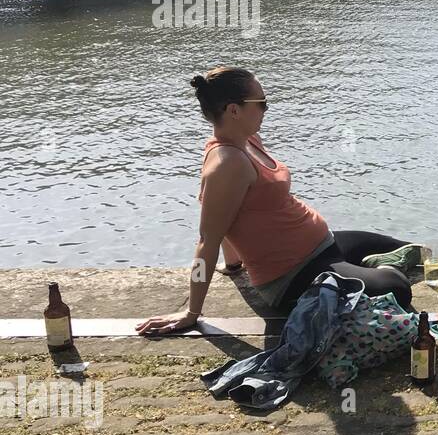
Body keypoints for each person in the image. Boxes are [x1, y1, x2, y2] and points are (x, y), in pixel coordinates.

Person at [136, 68, 420, 335]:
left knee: (415, 252)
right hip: (294, 274)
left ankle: (360, 270)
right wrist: (191, 312)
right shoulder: (227, 163)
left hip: (321, 245)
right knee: (398, 287)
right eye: (261, 102)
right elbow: (208, 238)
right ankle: (357, 276)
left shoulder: (247, 139)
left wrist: (233, 264)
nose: (266, 108)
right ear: (234, 110)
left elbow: (235, 214)